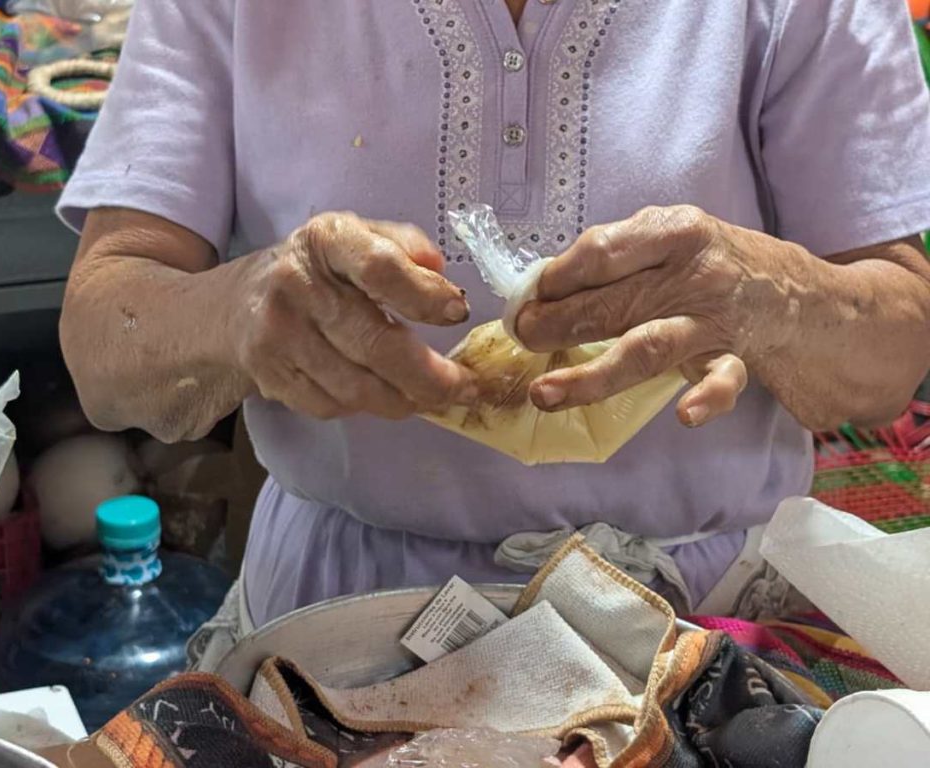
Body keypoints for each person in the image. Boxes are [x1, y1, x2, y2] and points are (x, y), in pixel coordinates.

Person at [57, 0, 930, 633]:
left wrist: (762, 296)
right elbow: (105, 341)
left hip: (704, 633)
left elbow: (894, 350)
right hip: (333, 632)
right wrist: (242, 310)